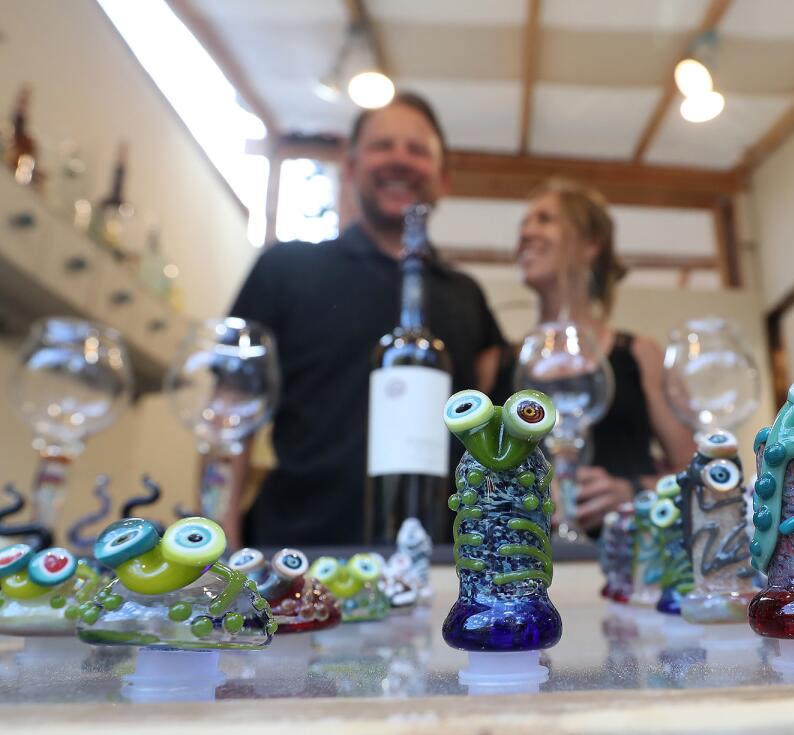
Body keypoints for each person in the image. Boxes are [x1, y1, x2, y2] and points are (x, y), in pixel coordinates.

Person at [224, 91, 505, 548]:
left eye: (417, 150)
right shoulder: (285, 269)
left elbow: (489, 439)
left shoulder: (467, 296)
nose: (400, 159)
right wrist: (218, 550)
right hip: (299, 559)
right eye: (383, 146)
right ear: (351, 169)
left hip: (446, 569)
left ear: (443, 180)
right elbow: (228, 419)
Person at [488, 178, 696, 530]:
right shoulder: (499, 363)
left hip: (631, 561)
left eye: (544, 219)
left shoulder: (640, 355)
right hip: (521, 565)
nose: (525, 233)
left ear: (591, 243)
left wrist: (633, 492)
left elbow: (700, 473)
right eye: (523, 224)